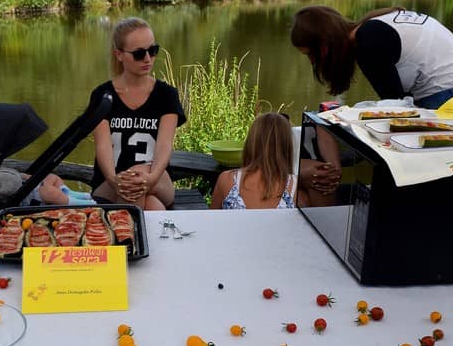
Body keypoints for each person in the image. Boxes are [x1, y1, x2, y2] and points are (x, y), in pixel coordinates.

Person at [290, 5, 453, 111]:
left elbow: (397, 108)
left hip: (452, 101)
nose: (312, 62)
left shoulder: (368, 42)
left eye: (310, 54)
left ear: (325, 44)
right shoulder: (374, 26)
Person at [88, 17, 186, 210]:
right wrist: (114, 180)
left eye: (153, 50)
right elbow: (103, 146)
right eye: (139, 54)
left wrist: (151, 178)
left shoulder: (166, 95)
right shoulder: (102, 95)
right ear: (119, 55)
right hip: (109, 184)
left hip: (158, 180)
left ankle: (125, 228)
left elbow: (164, 145)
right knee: (150, 204)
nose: (148, 59)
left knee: (136, 177)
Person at [210, 112, 297, 210]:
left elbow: (211, 218)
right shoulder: (295, 187)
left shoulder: (226, 180)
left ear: (251, 141)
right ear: (287, 147)